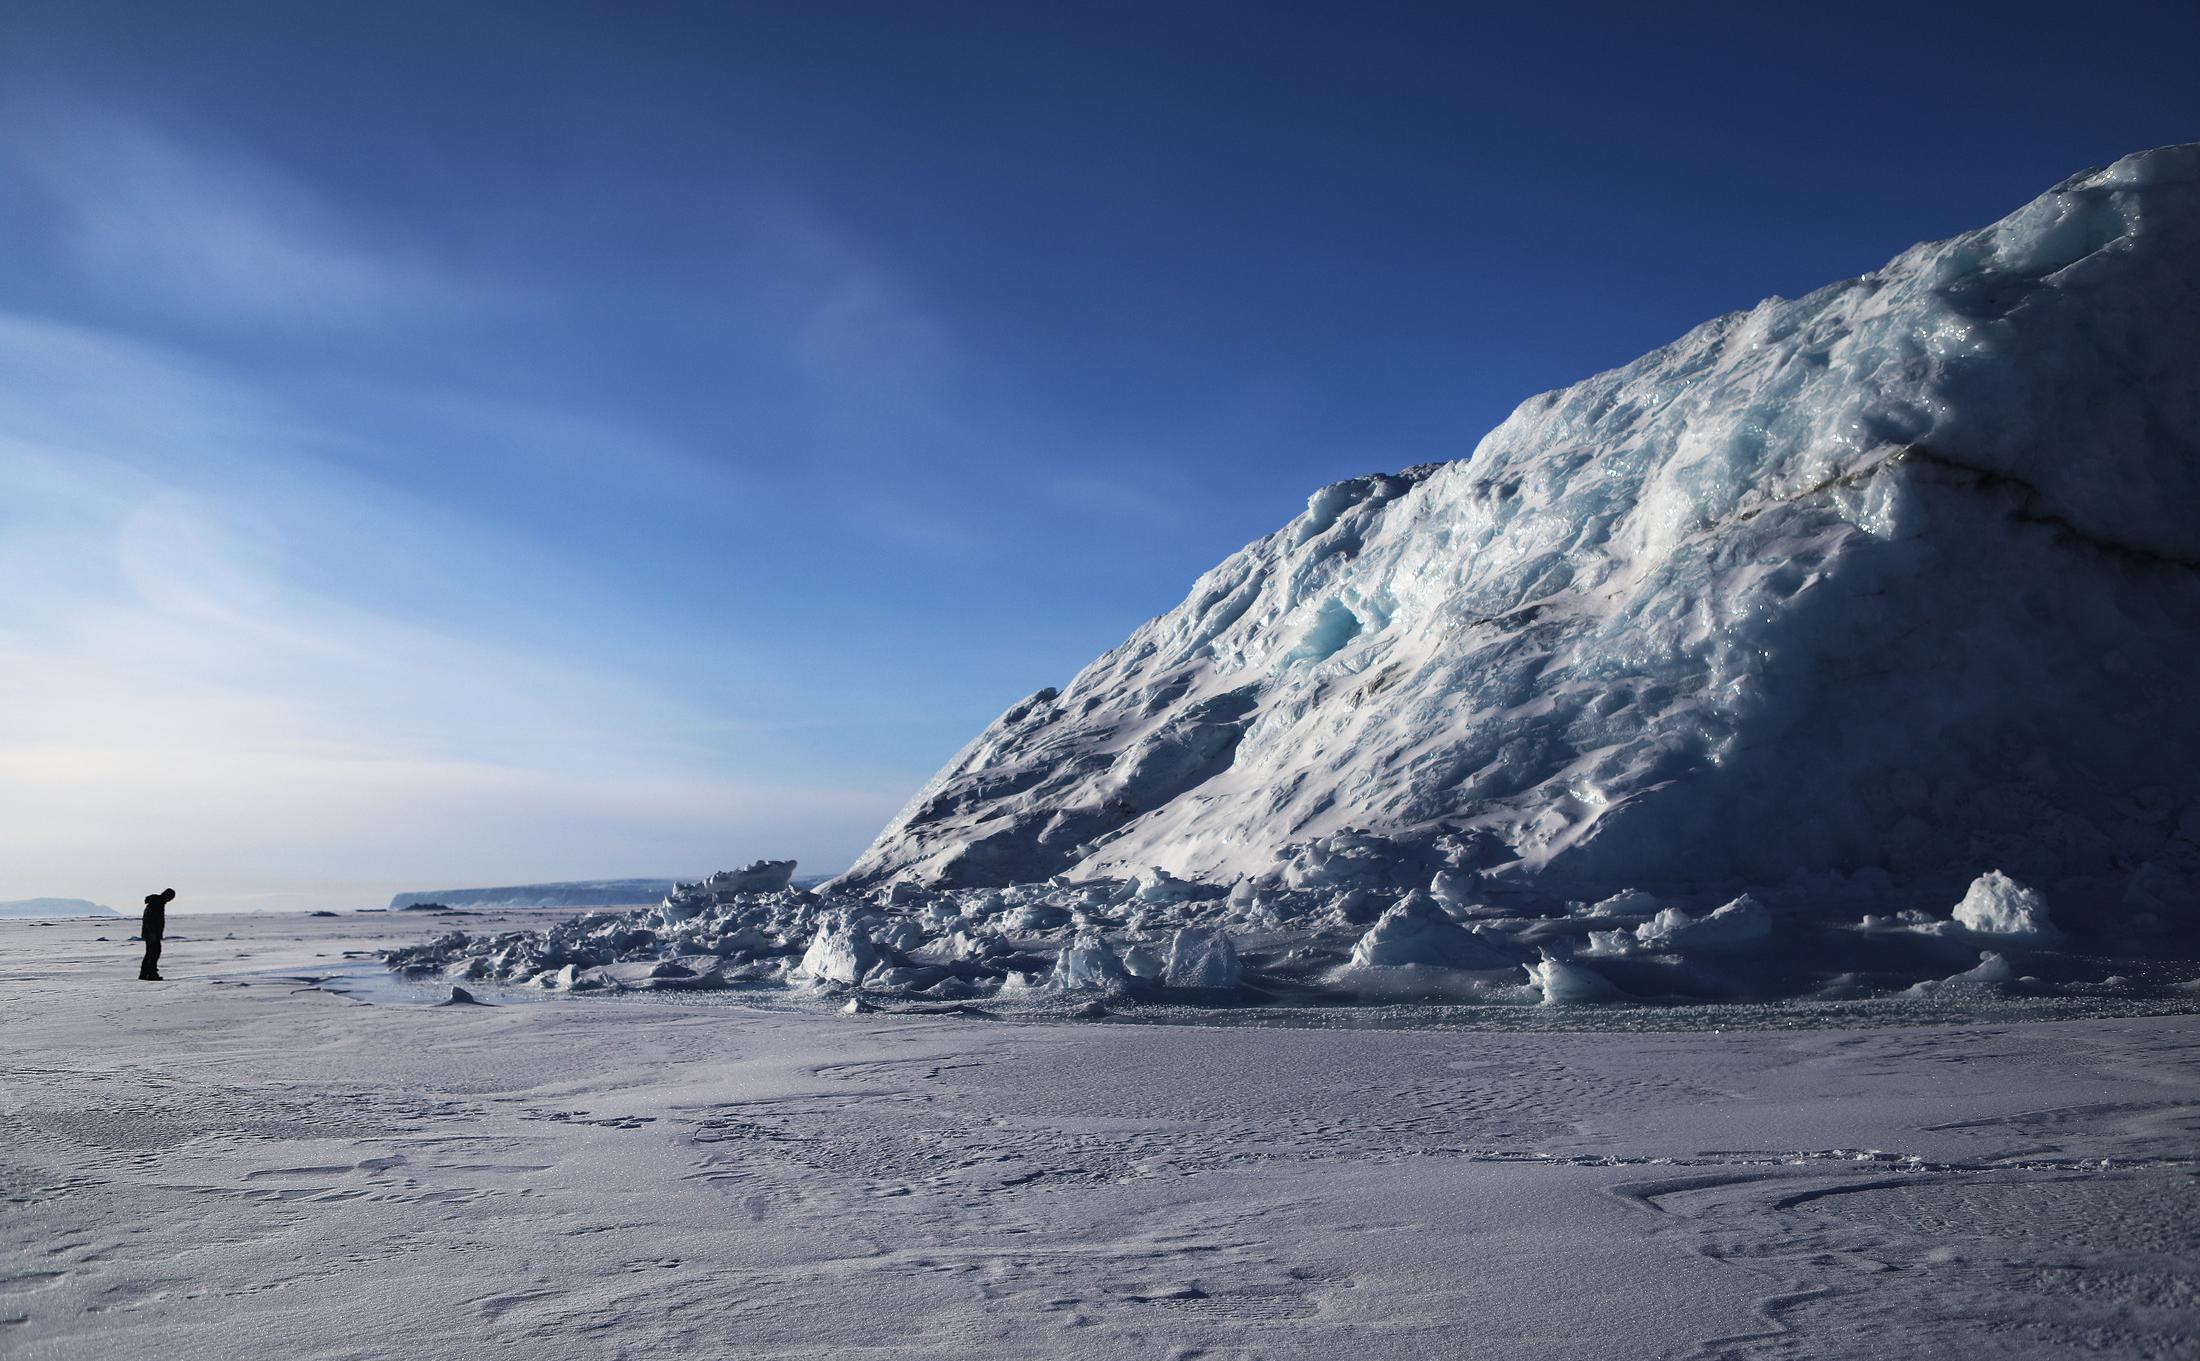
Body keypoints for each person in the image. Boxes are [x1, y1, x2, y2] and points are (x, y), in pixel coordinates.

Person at [139, 888, 175, 981]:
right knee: (154, 952)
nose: (170, 900)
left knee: (150, 953)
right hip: (152, 933)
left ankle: (144, 973)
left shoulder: (157, 902)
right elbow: (150, 920)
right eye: (171, 898)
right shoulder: (157, 903)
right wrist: (153, 933)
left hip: (152, 933)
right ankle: (151, 973)